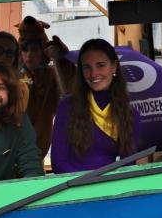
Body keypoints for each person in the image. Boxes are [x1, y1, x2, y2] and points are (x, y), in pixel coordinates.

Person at [50, 38, 140, 173]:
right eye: (87, 67)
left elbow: (128, 165)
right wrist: (86, 182)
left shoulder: (131, 114)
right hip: (74, 183)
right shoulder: (67, 107)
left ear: (114, 66)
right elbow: (58, 164)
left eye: (100, 65)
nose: (93, 73)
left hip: (111, 184)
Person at [16, 16, 77, 158]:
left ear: (43, 51)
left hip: (40, 147)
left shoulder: (52, 74)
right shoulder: (13, 76)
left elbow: (69, 90)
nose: (29, 55)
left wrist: (60, 60)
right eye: (25, 50)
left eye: (34, 50)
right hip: (13, 148)